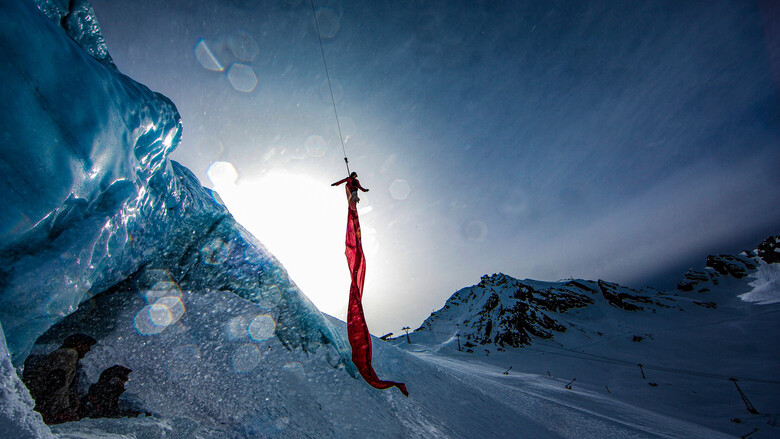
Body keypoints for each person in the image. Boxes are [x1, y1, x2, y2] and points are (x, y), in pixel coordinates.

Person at [22, 334, 97, 424]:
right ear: (78, 344)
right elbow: (57, 380)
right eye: (87, 345)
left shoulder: (62, 353)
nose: (88, 349)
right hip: (44, 403)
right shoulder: (69, 353)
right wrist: (60, 408)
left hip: (38, 398)